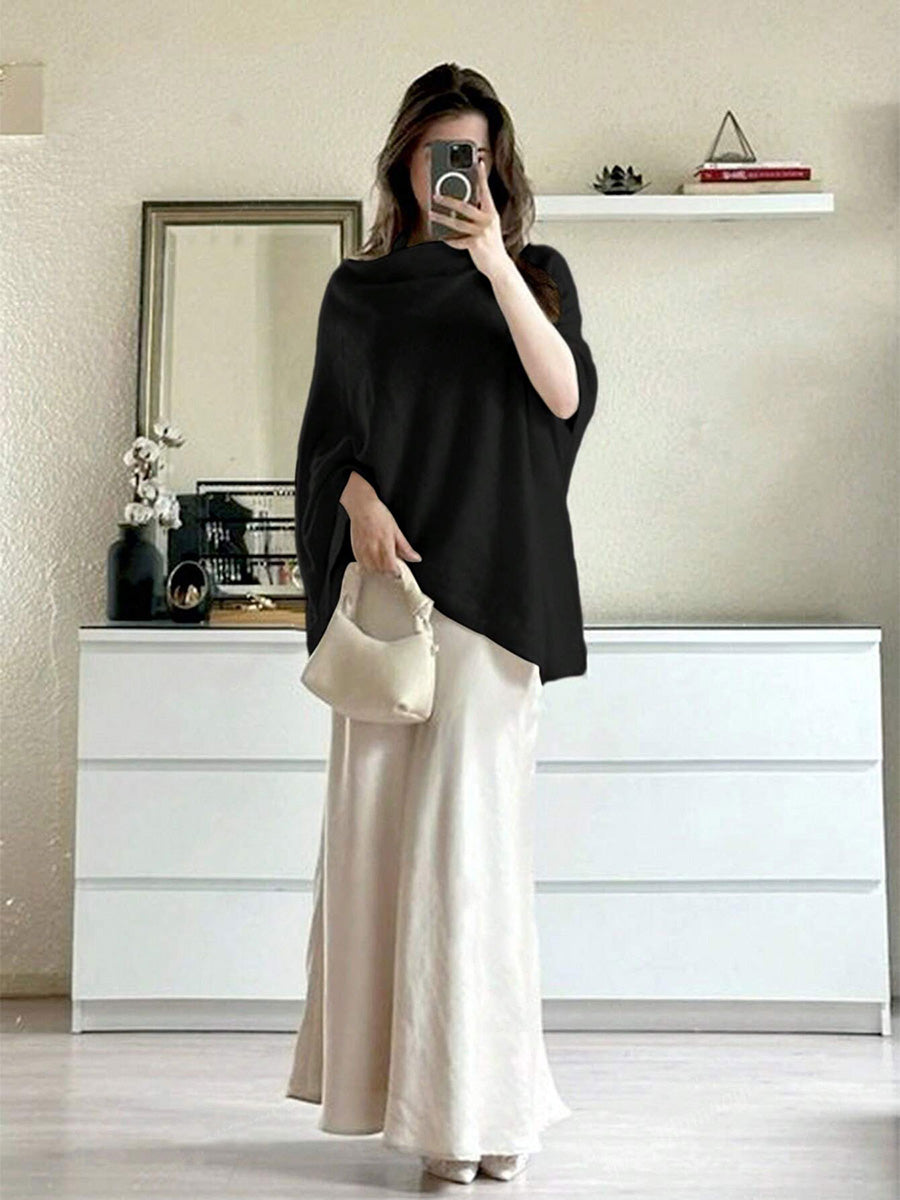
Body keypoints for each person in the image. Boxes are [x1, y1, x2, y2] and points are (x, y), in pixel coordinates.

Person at [286, 62, 598, 1185]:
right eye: (434, 153)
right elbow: (324, 445)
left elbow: (563, 395)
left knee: (470, 861)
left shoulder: (538, 275)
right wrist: (356, 499)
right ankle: (429, 1114)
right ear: (404, 161)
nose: (451, 172)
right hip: (391, 603)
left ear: (496, 166)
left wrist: (497, 264)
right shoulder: (357, 292)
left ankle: (483, 1117)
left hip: (492, 602)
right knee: (383, 856)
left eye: (470, 154)